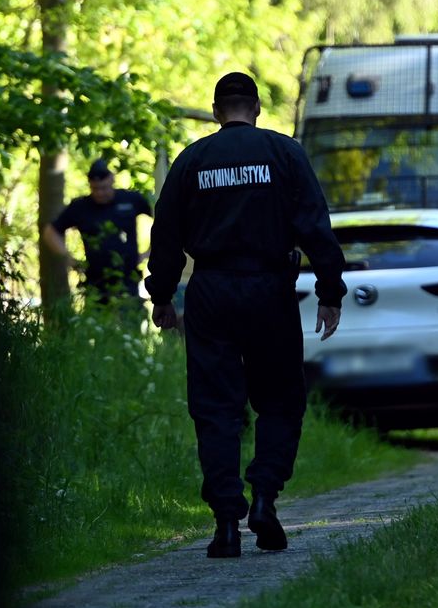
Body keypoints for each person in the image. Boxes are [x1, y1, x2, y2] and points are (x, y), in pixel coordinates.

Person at [145, 72, 347, 559]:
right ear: (256, 108)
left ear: (217, 112)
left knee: (216, 407)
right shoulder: (284, 154)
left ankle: (225, 525)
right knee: (279, 400)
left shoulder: (192, 160)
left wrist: (163, 295)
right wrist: (329, 289)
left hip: (210, 292)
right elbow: (316, 225)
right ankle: (264, 499)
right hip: (270, 290)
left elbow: (166, 232)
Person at [43, 159, 153, 307]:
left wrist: (149, 253)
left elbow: (163, 220)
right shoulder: (81, 206)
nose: (100, 193)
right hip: (95, 283)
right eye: (95, 188)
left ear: (112, 180)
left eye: (104, 188)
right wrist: (68, 258)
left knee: (130, 322)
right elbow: (50, 232)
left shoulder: (131, 199)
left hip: (128, 281)